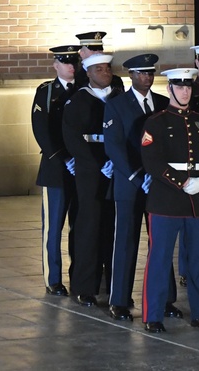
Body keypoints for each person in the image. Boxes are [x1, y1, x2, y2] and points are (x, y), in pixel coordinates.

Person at [140, 67, 199, 333]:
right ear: (170, 89)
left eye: (188, 87)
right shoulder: (156, 122)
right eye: (180, 86)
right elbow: (152, 161)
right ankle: (153, 315)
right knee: (160, 259)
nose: (185, 91)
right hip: (166, 201)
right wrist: (182, 182)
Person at [103, 54, 179, 321]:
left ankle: (165, 299)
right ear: (131, 76)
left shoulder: (161, 103)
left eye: (150, 73)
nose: (147, 77)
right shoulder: (117, 105)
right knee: (125, 243)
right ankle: (120, 300)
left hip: (159, 185)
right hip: (129, 185)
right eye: (142, 73)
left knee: (161, 242)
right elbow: (114, 146)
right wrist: (138, 177)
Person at [61, 51, 121, 306]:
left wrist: (116, 161)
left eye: (107, 69)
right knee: (89, 227)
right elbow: (73, 139)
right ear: (88, 73)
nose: (104, 73)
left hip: (117, 170)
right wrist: (97, 164)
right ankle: (85, 286)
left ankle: (113, 284)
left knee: (113, 229)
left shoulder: (119, 99)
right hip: (90, 173)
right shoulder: (78, 101)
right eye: (98, 70)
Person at [31, 45, 80, 297]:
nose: (71, 66)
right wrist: (62, 158)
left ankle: (79, 276)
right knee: (53, 228)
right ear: (56, 66)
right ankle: (53, 280)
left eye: (74, 62)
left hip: (81, 170)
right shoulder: (46, 92)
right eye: (65, 62)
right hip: (56, 170)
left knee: (79, 226)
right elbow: (41, 130)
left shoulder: (83, 89)